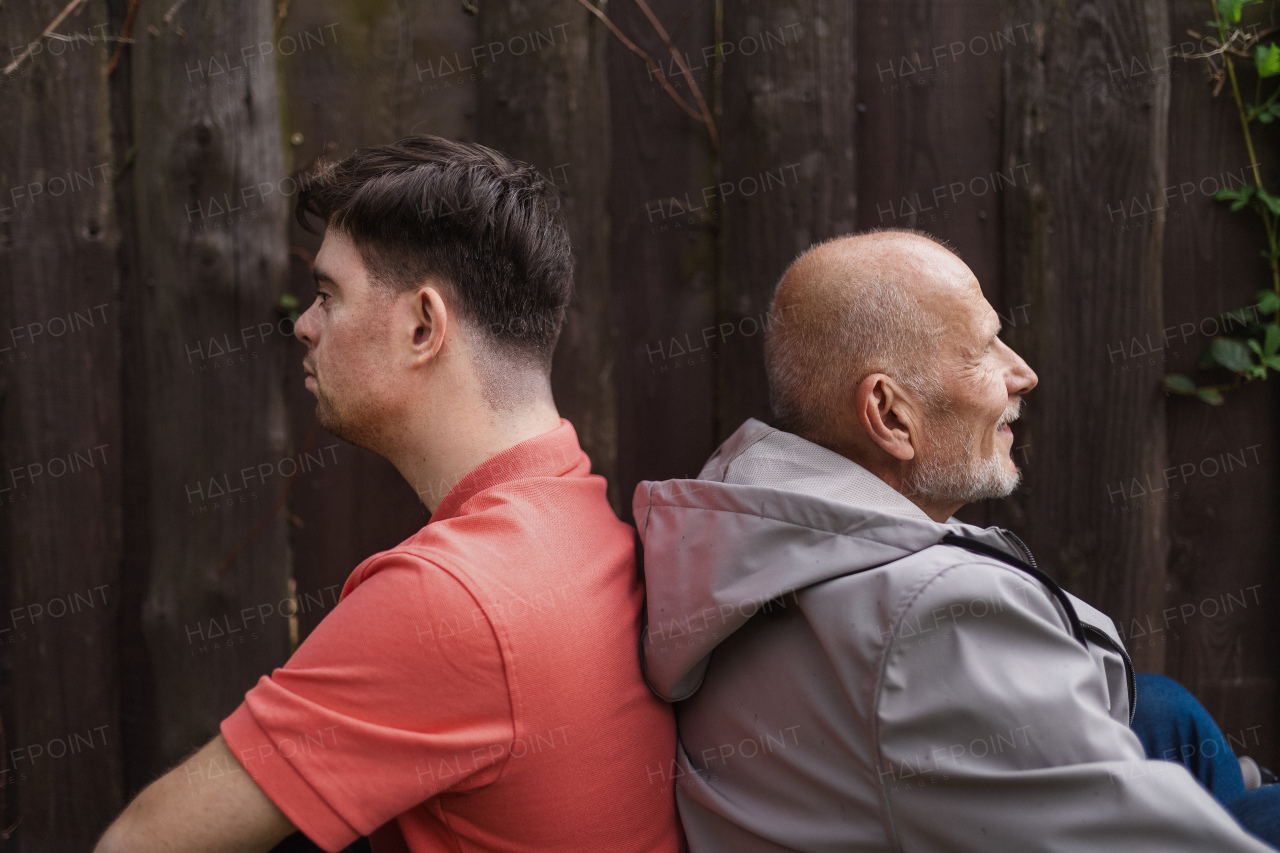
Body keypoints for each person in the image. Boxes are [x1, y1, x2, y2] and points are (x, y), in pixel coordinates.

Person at [95, 137, 684, 853]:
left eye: (326, 296)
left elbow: (138, 844)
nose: (303, 325)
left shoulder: (449, 599)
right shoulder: (586, 518)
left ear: (422, 326)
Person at [633, 229, 1275, 851]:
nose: (1021, 373)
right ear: (888, 414)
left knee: (1162, 709)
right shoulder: (934, 619)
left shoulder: (743, 526)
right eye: (984, 348)